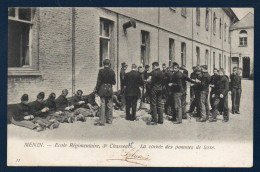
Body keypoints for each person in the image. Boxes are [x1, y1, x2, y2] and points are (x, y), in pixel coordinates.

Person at [94, 59, 116, 126]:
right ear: (109, 64)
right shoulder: (112, 71)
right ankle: (109, 120)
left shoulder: (101, 71)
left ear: (103, 64)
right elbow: (114, 82)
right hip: (109, 89)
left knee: (102, 105)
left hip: (102, 89)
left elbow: (98, 82)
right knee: (109, 105)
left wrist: (97, 90)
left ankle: (102, 121)